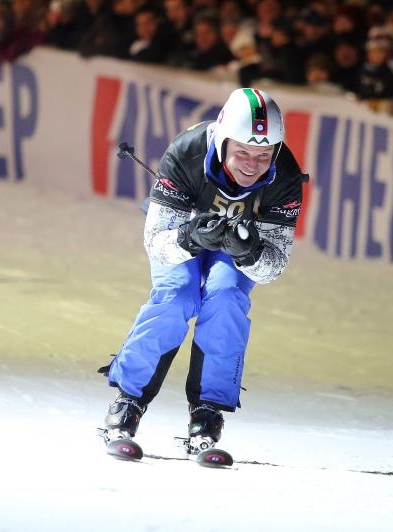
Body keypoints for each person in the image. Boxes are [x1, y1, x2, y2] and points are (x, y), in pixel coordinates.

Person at [98, 88, 307, 456]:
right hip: (183, 234)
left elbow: (273, 267)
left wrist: (251, 252)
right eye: (243, 152)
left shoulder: (285, 174)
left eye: (263, 155)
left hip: (236, 246)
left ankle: (208, 412)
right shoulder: (187, 152)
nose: (252, 165)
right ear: (222, 141)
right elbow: (156, 243)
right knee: (178, 294)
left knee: (227, 297)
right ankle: (128, 400)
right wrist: (189, 237)